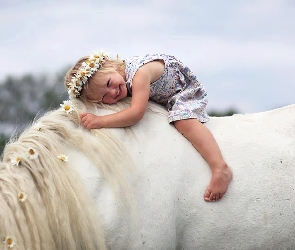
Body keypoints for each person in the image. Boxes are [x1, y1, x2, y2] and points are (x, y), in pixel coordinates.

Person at [64, 50, 232, 202]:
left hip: (180, 89)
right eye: (104, 97)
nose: (113, 92)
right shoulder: (122, 79)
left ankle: (219, 167)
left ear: (111, 66)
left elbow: (136, 113)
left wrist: (99, 121)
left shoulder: (140, 74)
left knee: (182, 121)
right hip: (163, 91)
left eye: (109, 83)